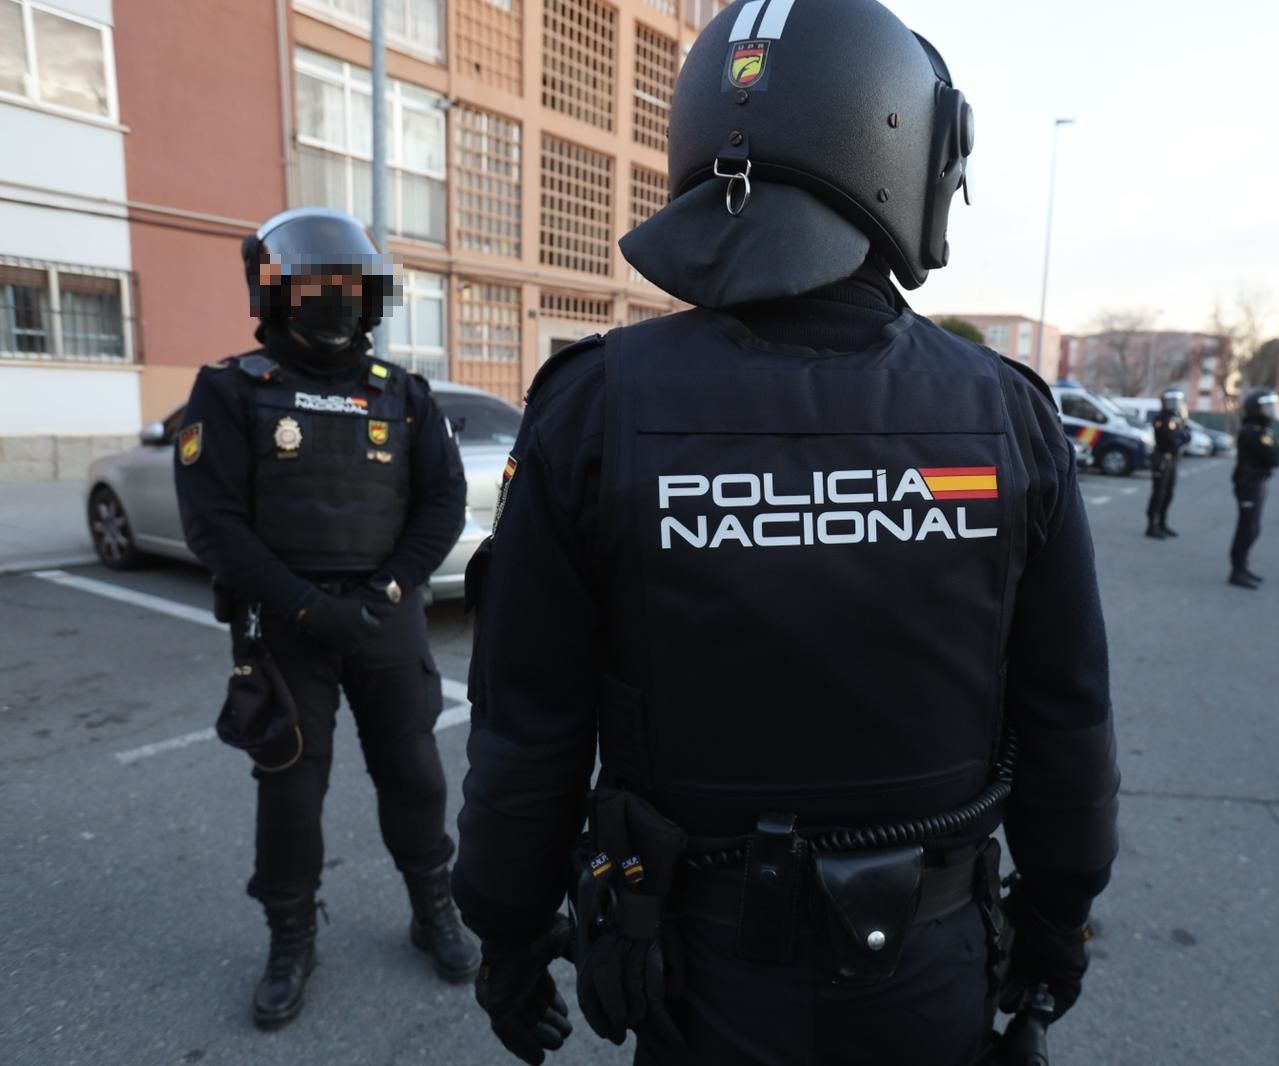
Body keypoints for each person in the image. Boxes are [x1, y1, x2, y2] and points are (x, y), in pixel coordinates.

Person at [452, 3, 1121, 1064]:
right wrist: (1058, 921)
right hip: (928, 971)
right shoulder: (1007, 415)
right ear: (900, 144)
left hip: (696, 980)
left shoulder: (592, 407)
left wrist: (508, 931)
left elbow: (528, 725)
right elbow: (1066, 715)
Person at [175, 207, 478, 1029]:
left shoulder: (402, 394)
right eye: (315, 285)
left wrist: (386, 592)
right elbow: (214, 525)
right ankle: (291, 937)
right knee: (290, 795)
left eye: (348, 285)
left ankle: (433, 907)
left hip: (385, 619)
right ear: (275, 294)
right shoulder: (232, 390)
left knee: (415, 776)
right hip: (287, 627)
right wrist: (305, 605)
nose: (334, 299)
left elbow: (442, 503)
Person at [1230, 389, 1279, 587]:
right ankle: (1237, 571)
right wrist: (1276, 452)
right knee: (1246, 529)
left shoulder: (1262, 431)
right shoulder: (1252, 432)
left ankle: (1243, 567)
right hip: (1248, 483)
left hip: (1258, 482)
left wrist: (1277, 452)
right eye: (1267, 407)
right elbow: (1274, 457)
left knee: (1253, 529)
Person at [1145, 387, 1192, 539]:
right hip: (1162, 459)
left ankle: (1162, 523)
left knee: (1168, 493)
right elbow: (1171, 440)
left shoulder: (1178, 418)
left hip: (1172, 460)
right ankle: (1151, 525)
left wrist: (1182, 431)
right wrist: (1180, 436)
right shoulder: (1161, 419)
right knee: (1158, 493)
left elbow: (1187, 436)